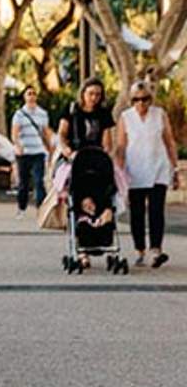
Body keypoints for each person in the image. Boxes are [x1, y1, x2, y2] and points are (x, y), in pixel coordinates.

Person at [119, 79, 177, 268]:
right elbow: (121, 146)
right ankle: (140, 250)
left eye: (145, 99)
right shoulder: (125, 117)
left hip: (158, 168)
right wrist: (119, 171)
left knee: (156, 210)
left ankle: (156, 250)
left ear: (150, 99)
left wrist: (174, 167)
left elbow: (169, 141)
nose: (141, 103)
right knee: (137, 213)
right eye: (136, 99)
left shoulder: (159, 114)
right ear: (131, 100)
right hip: (135, 170)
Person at [11, 86, 54, 215]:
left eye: (34, 93)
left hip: (38, 151)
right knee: (23, 182)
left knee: (39, 180)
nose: (31, 96)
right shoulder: (19, 114)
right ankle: (21, 206)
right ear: (24, 96)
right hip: (24, 152)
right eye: (29, 93)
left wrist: (50, 149)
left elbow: (46, 133)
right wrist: (17, 145)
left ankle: (41, 208)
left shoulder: (42, 113)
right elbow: (14, 132)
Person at [58, 76, 116, 157]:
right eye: (90, 93)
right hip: (73, 155)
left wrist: (105, 153)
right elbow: (62, 134)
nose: (94, 98)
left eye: (97, 95)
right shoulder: (71, 109)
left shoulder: (104, 113)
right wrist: (65, 149)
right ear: (83, 93)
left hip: (96, 156)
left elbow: (107, 142)